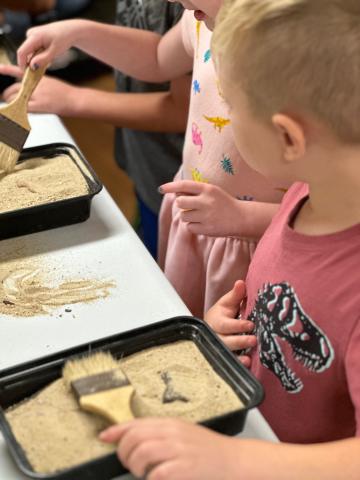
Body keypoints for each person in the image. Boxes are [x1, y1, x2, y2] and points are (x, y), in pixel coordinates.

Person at [97, 0, 360, 478]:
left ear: (288, 138)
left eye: (232, 105)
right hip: (257, 427)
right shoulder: (307, 194)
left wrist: (233, 459)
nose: (226, 114)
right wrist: (232, 331)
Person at [14, 0, 286, 320]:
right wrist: (78, 32)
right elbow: (157, 58)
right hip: (197, 226)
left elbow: (330, 213)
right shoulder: (202, 20)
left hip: (252, 243)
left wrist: (242, 216)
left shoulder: (294, 58)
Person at [0, 0, 189, 258]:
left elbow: (182, 110)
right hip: (145, 169)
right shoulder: (193, 20)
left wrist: (73, 99)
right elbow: (158, 56)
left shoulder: (196, 12)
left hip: (179, 184)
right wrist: (77, 32)